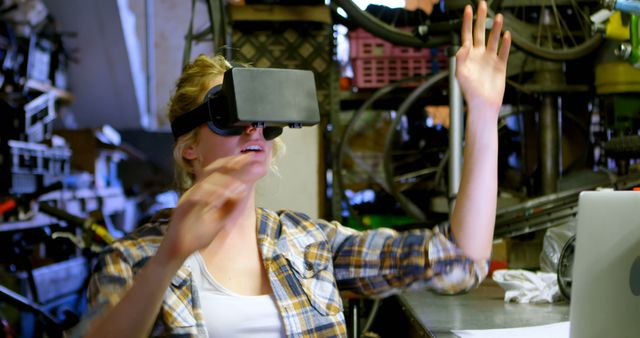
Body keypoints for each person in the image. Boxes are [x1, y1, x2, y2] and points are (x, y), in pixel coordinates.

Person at [74, 2, 510, 337]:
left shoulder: (310, 245)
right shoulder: (133, 260)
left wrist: (484, 114)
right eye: (230, 113)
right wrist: (169, 257)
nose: (254, 131)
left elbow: (459, 261)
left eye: (262, 117)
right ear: (190, 147)